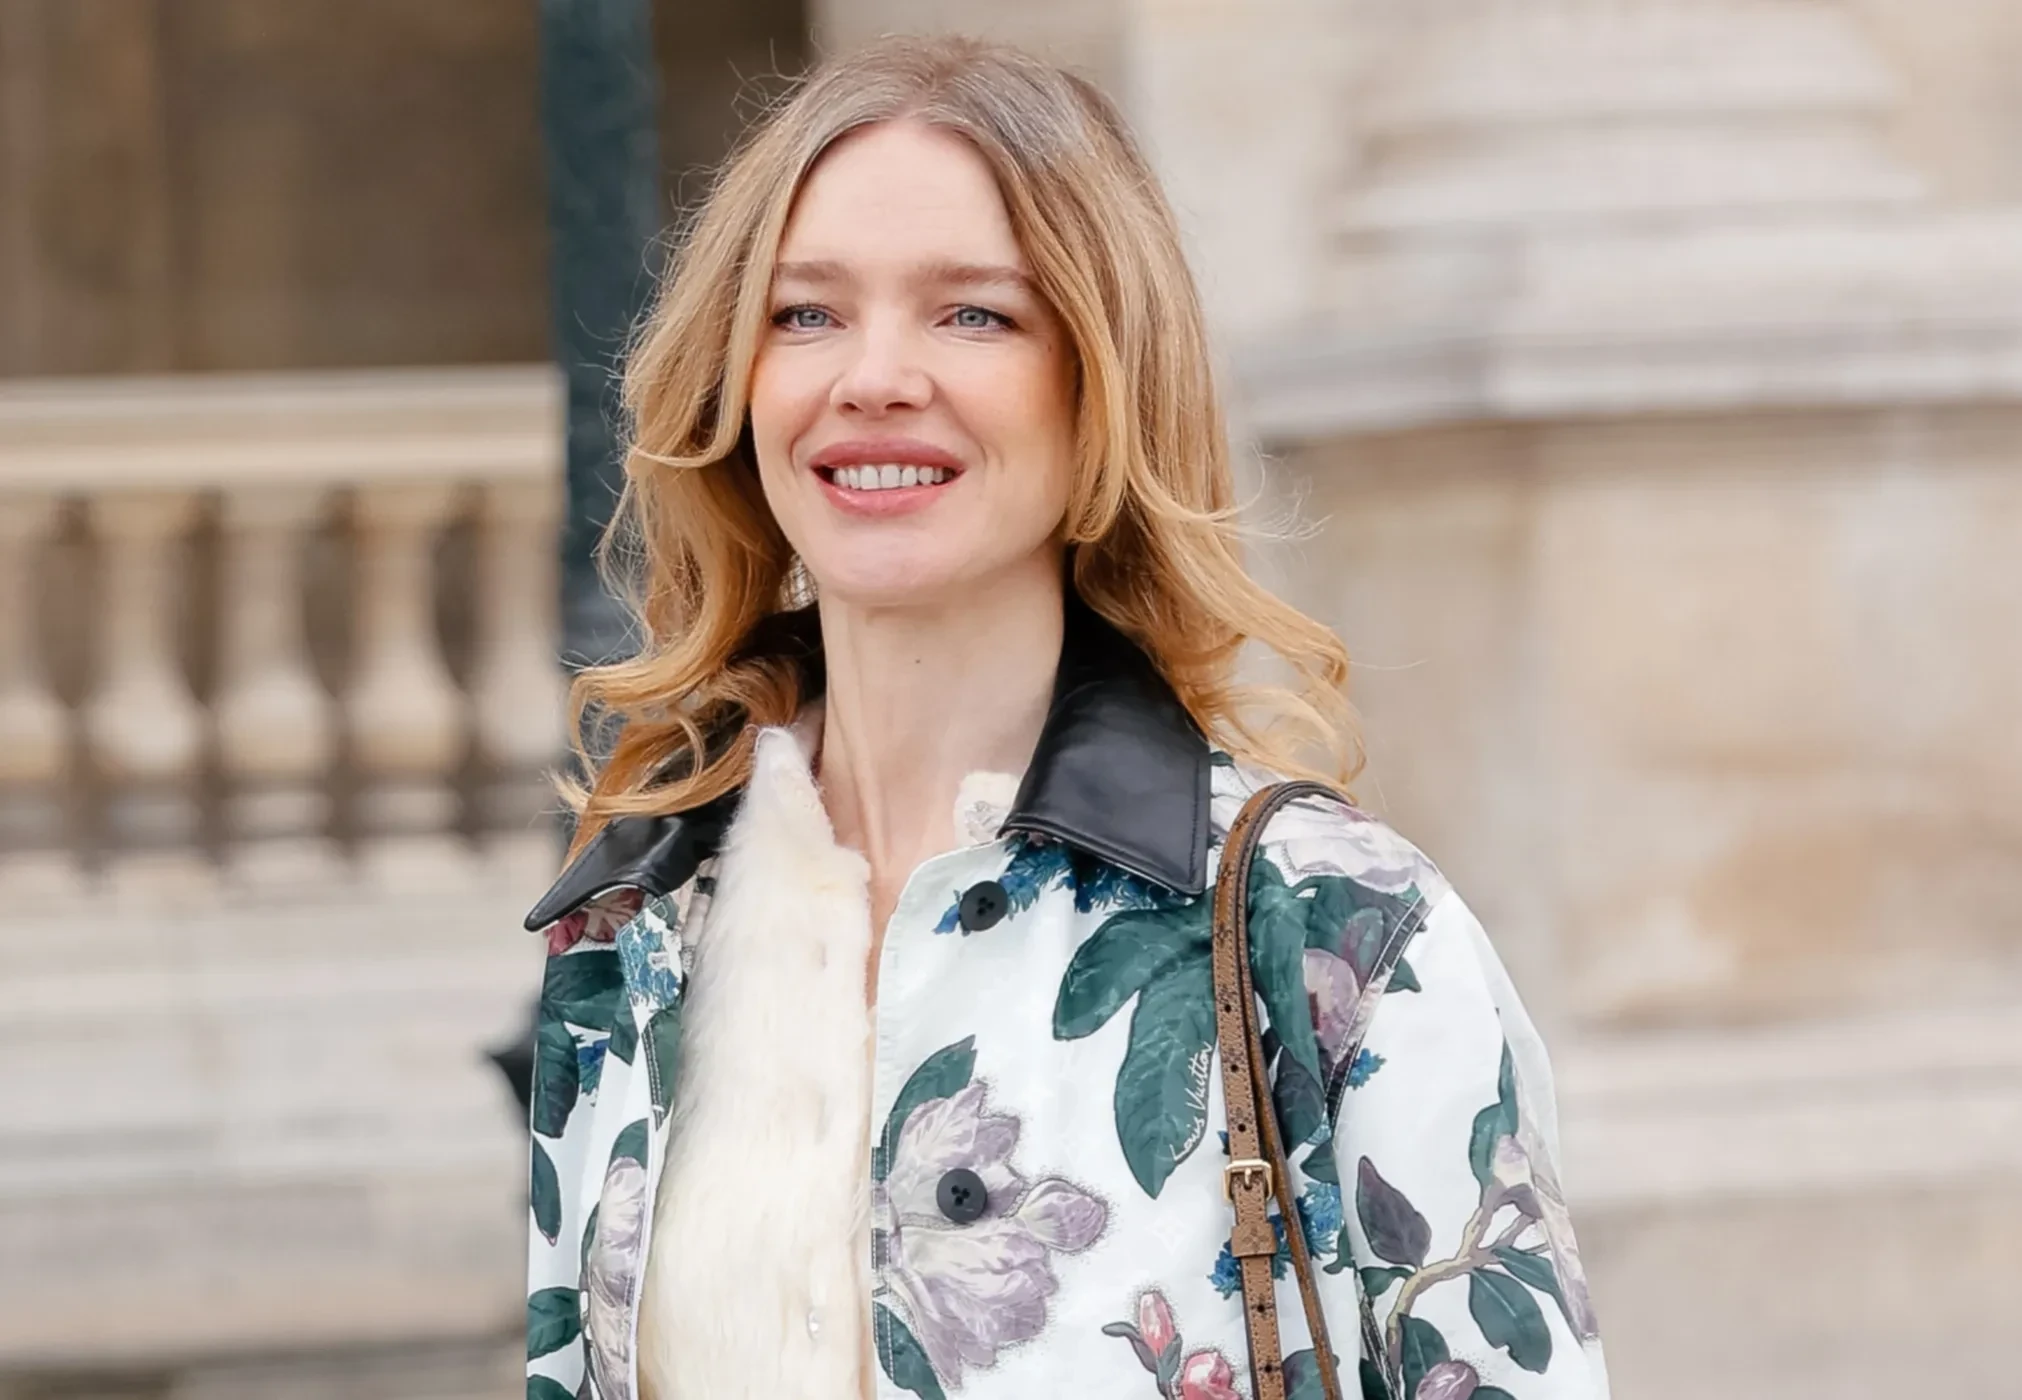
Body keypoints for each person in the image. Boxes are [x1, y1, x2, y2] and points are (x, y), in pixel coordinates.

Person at [521, 34, 1609, 1400]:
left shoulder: (1342, 931)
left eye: (973, 315)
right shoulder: (633, 925)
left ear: (1100, 384)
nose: (873, 376)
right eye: (804, 314)